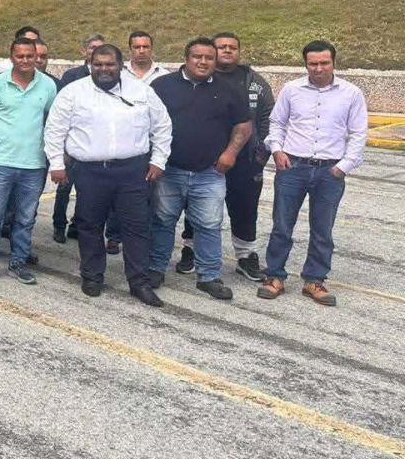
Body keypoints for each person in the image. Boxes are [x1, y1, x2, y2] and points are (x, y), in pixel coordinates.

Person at [44, 44, 171, 306]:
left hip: (133, 171)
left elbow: (162, 126)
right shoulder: (73, 92)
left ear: (120, 65)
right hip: (90, 171)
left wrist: (158, 160)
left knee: (136, 227)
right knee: (89, 224)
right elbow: (54, 130)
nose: (104, 69)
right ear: (90, 65)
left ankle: (139, 282)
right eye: (98, 64)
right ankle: (92, 277)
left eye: (110, 64)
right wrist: (56, 163)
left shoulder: (141, 91)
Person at [258, 40, 367, 307]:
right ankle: (275, 276)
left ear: (334, 62)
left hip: (330, 172)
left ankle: (314, 280)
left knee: (322, 229)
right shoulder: (292, 90)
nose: (319, 68)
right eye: (313, 63)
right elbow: (276, 123)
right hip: (292, 168)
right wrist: (277, 150)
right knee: (282, 225)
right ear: (305, 64)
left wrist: (343, 167)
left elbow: (358, 133)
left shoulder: (351, 93)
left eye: (324, 63)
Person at [147, 38, 252, 300]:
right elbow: (145, 121)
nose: (203, 62)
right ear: (186, 58)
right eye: (197, 56)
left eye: (209, 57)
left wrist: (230, 153)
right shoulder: (161, 86)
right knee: (162, 222)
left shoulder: (230, 90)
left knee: (209, 225)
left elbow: (243, 125)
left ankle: (208, 276)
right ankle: (155, 269)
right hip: (169, 171)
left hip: (210, 173)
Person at [0, 38, 56, 286]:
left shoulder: (48, 85)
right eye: (20, 56)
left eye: (30, 56)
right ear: (12, 57)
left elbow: (54, 117)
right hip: (1, 161)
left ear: (36, 57)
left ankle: (18, 263)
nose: (25, 60)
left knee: (25, 218)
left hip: (34, 164)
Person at [209, 32, 275, 281]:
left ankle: (246, 256)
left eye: (232, 47)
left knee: (245, 210)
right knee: (199, 208)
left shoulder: (255, 83)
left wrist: (261, 155)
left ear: (239, 51)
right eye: (221, 47)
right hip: (205, 161)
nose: (227, 50)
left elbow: (270, 118)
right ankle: (191, 250)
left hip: (246, 162)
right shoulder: (202, 78)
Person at [52, 34, 105, 244]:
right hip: (72, 143)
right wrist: (62, 147)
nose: (96, 51)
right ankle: (59, 225)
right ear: (84, 51)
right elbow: (60, 112)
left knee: (88, 191)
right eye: (92, 47)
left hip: (94, 145)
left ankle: (77, 225)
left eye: (101, 48)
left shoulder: (109, 76)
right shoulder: (71, 76)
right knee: (64, 187)